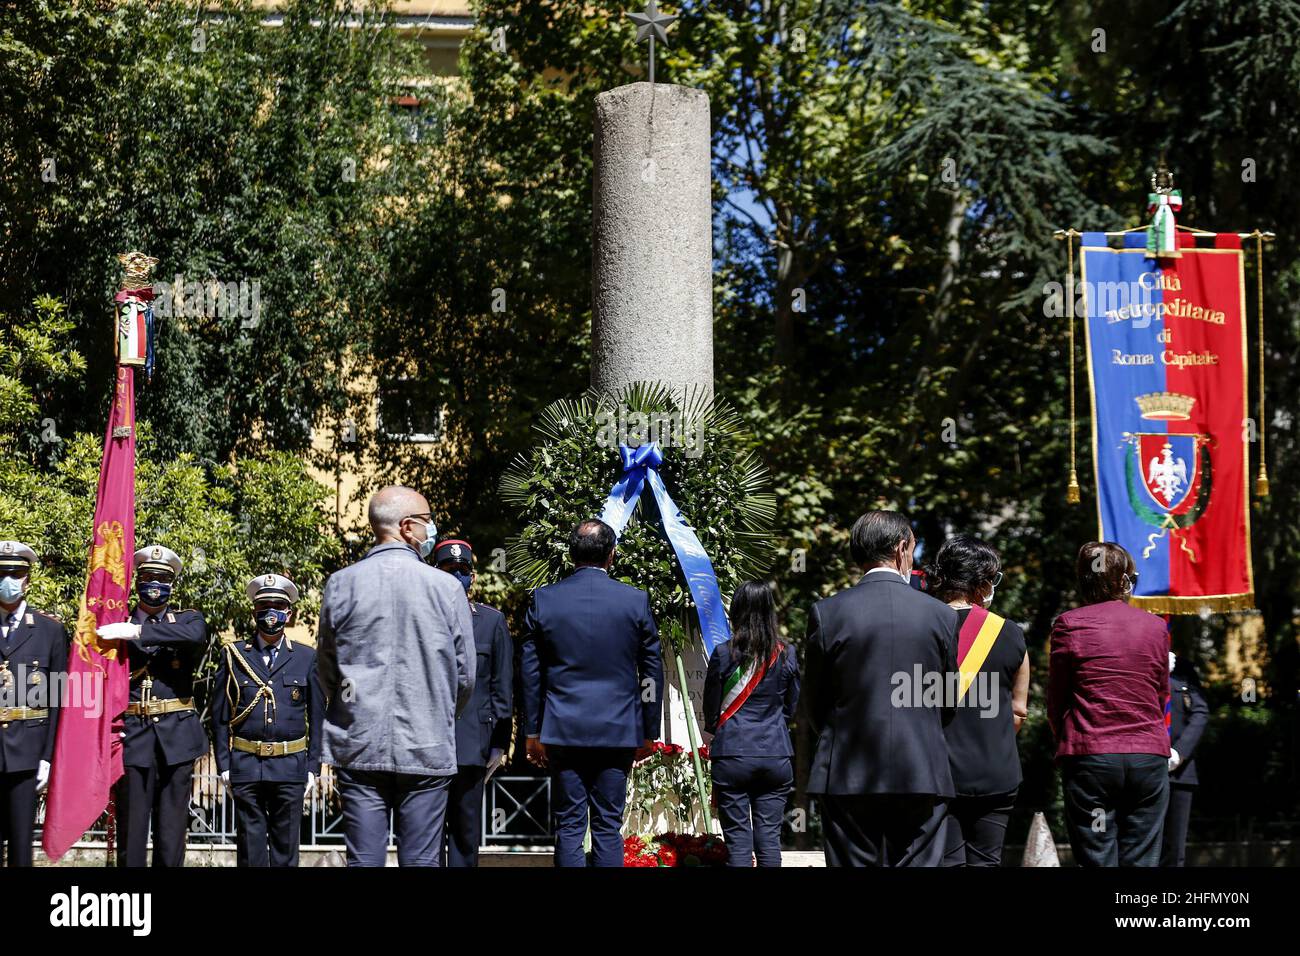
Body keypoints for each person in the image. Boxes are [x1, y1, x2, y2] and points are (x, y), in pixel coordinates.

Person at [316, 486, 474, 867]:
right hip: (427, 743)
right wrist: (438, 711)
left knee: (364, 860)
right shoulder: (447, 588)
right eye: (427, 520)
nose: (432, 528)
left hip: (358, 743)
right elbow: (465, 675)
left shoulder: (341, 584)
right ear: (407, 527)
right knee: (422, 861)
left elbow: (327, 666)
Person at [804, 510, 958, 867]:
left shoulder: (827, 612)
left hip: (846, 772)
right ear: (902, 548)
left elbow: (814, 701)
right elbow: (948, 701)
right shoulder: (941, 615)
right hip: (922, 768)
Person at [521, 518, 663, 867]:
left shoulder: (544, 600)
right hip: (616, 731)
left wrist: (531, 731)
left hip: (563, 729)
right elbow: (651, 672)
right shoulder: (634, 601)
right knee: (606, 825)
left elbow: (529, 673)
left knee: (569, 825)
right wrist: (648, 730)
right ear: (612, 555)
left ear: (571, 554)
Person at [1048, 541, 1170, 867]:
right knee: (1143, 857)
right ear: (1125, 580)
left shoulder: (1069, 624)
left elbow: (1056, 700)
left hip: (1092, 757)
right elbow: (1160, 693)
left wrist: (1069, 738)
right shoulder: (1156, 627)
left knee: (1097, 854)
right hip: (1147, 755)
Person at [925, 534, 1029, 867]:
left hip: (937, 773)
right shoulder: (1010, 632)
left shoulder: (921, 625)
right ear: (982, 582)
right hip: (995, 772)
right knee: (987, 861)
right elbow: (1018, 711)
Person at [211, 574, 324, 867]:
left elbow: (318, 715)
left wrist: (313, 767)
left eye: (277, 606)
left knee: (286, 851)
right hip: (247, 765)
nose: (270, 613)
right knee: (250, 851)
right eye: (264, 607)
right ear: (254, 612)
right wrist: (224, 765)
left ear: (288, 613)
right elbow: (220, 715)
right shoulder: (235, 655)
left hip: (290, 766)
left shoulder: (306, 657)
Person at [107, 545, 208, 868]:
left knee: (171, 834)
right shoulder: (114, 623)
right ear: (137, 582)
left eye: (162, 579)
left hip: (176, 739)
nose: (154, 585)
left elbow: (195, 636)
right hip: (132, 737)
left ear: (172, 585)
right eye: (148, 577)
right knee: (132, 834)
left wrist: (137, 631)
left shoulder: (187, 619)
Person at [702, 580, 799, 867]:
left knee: (739, 844)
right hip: (775, 755)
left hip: (732, 754)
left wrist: (721, 730)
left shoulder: (722, 653)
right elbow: (792, 706)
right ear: (770, 611)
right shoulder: (787, 653)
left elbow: (711, 709)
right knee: (769, 841)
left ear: (737, 611)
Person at [435, 538, 513, 867]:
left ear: (474, 577)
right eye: (449, 570)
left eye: (463, 571)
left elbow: (502, 686)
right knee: (426, 836)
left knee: (465, 837)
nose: (457, 577)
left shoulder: (492, 622)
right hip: (427, 745)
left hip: (472, 746)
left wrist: (499, 743)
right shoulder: (421, 619)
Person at [0, 541, 67, 867]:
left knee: (21, 848)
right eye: (2, 573)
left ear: (28, 579)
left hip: (27, 752)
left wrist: (47, 757)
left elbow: (57, 700)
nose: (9, 580)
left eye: (16, 573)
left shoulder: (49, 631)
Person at [1161, 652, 1208, 867]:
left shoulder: (1182, 667)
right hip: (1143, 765)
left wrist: (1180, 751)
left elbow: (1200, 712)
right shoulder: (1137, 659)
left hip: (1180, 771)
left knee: (1174, 848)